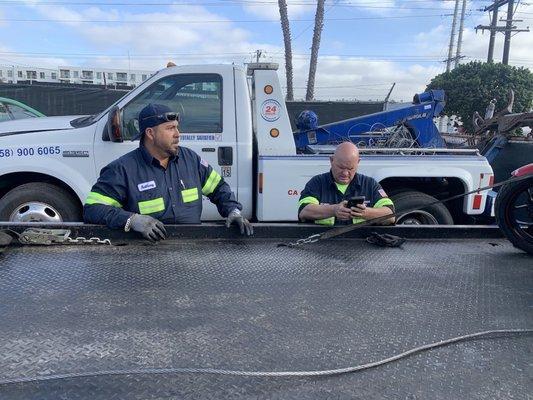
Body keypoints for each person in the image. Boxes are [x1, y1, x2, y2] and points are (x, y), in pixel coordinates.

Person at [84, 103, 253, 241]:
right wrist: (132, 220)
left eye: (177, 128)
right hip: (143, 255)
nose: (177, 134)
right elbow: (93, 209)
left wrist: (233, 210)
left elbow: (218, 188)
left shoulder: (191, 160)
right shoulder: (122, 170)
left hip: (193, 252)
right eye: (170, 128)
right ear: (150, 133)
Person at [298, 142, 395, 226]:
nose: (345, 173)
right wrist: (334, 210)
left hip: (361, 244)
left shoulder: (370, 184)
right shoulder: (317, 183)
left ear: (358, 162)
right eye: (340, 167)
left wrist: (365, 212)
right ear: (331, 160)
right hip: (323, 243)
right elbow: (304, 211)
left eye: (350, 169)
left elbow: (390, 215)